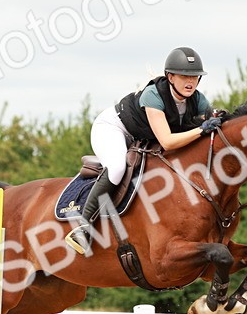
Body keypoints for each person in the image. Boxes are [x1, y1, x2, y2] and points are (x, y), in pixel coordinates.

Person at [64, 46, 224, 255]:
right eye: (185, 75)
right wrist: (201, 130)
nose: (190, 81)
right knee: (117, 167)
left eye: (195, 77)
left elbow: (207, 123)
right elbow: (167, 142)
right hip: (114, 128)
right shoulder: (153, 95)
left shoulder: (198, 100)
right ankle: (84, 226)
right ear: (170, 77)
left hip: (142, 136)